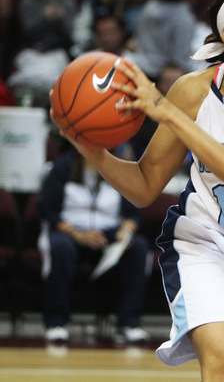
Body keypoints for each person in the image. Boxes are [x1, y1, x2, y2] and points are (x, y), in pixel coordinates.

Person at [50, 0, 224, 381]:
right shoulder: (192, 92)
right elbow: (145, 185)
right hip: (207, 246)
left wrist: (166, 112)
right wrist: (90, 148)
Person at [38, 147, 151, 343]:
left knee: (138, 247)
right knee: (59, 247)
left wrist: (125, 231)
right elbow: (48, 210)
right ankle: (56, 322)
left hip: (109, 233)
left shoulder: (120, 168)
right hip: (71, 231)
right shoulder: (62, 166)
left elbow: (134, 213)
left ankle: (129, 323)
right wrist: (77, 234)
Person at [8, 0, 76, 108]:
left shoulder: (68, 3)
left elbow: (70, 36)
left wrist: (61, 19)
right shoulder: (28, 1)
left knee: (60, 87)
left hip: (57, 52)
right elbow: (27, 32)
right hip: (33, 51)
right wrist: (44, 18)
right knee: (24, 84)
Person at [126, 0, 198, 81]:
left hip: (140, 69)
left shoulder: (149, 7)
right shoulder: (184, 19)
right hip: (167, 77)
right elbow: (180, 58)